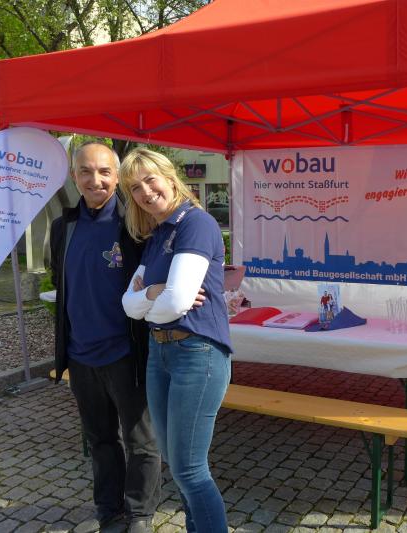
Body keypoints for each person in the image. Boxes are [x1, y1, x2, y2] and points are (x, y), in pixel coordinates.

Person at [50, 141, 160, 533]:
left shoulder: (136, 224)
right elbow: (62, 283)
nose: (94, 180)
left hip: (126, 355)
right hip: (81, 357)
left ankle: (140, 514)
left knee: (141, 442)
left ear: (117, 177)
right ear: (74, 176)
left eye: (104, 172)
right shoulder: (63, 227)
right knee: (100, 441)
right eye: (85, 171)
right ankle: (109, 511)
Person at [120, 148, 232, 533]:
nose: (145, 192)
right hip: (160, 352)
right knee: (175, 461)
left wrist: (149, 300)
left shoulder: (195, 223)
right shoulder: (158, 234)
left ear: (170, 177)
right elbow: (129, 304)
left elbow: (179, 301)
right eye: (135, 188)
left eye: (150, 179)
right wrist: (155, 294)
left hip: (197, 352)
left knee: (190, 469)